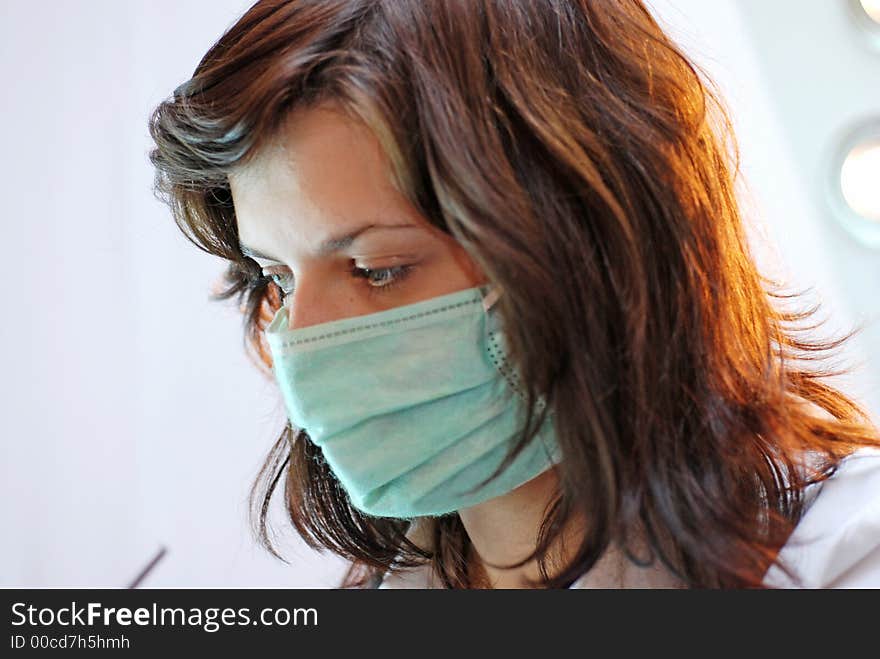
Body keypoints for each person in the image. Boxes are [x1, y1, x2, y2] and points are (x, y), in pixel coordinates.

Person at [148, 0, 880, 588]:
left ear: (593, 242)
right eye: (277, 277)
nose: (300, 341)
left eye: (377, 268)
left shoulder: (845, 553)